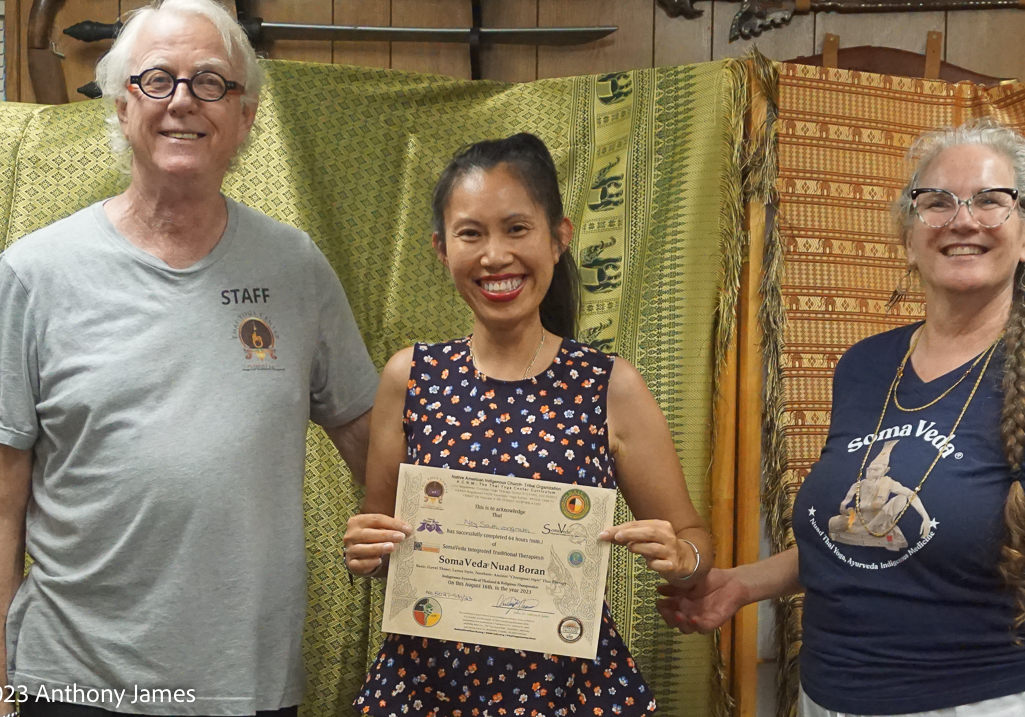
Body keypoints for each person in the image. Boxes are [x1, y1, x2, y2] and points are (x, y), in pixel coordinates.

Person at [0, 1, 378, 716]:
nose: (182, 100)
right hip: (72, 684)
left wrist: (463, 536)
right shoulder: (35, 273)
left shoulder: (295, 268)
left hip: (245, 685)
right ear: (123, 106)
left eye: (210, 81)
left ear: (244, 118)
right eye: (157, 79)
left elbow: (372, 440)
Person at [658, 119, 1025, 716]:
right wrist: (742, 584)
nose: (963, 220)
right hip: (827, 696)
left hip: (973, 701)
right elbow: (853, 538)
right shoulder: (866, 365)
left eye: (990, 200)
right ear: (909, 236)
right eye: (937, 202)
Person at [342, 133, 713, 717]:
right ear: (441, 249)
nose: (495, 256)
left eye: (517, 228)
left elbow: (693, 536)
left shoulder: (610, 385)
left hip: (567, 688)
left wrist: (684, 558)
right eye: (470, 233)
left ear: (559, 237)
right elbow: (385, 541)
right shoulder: (410, 377)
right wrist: (366, 549)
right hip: (428, 684)